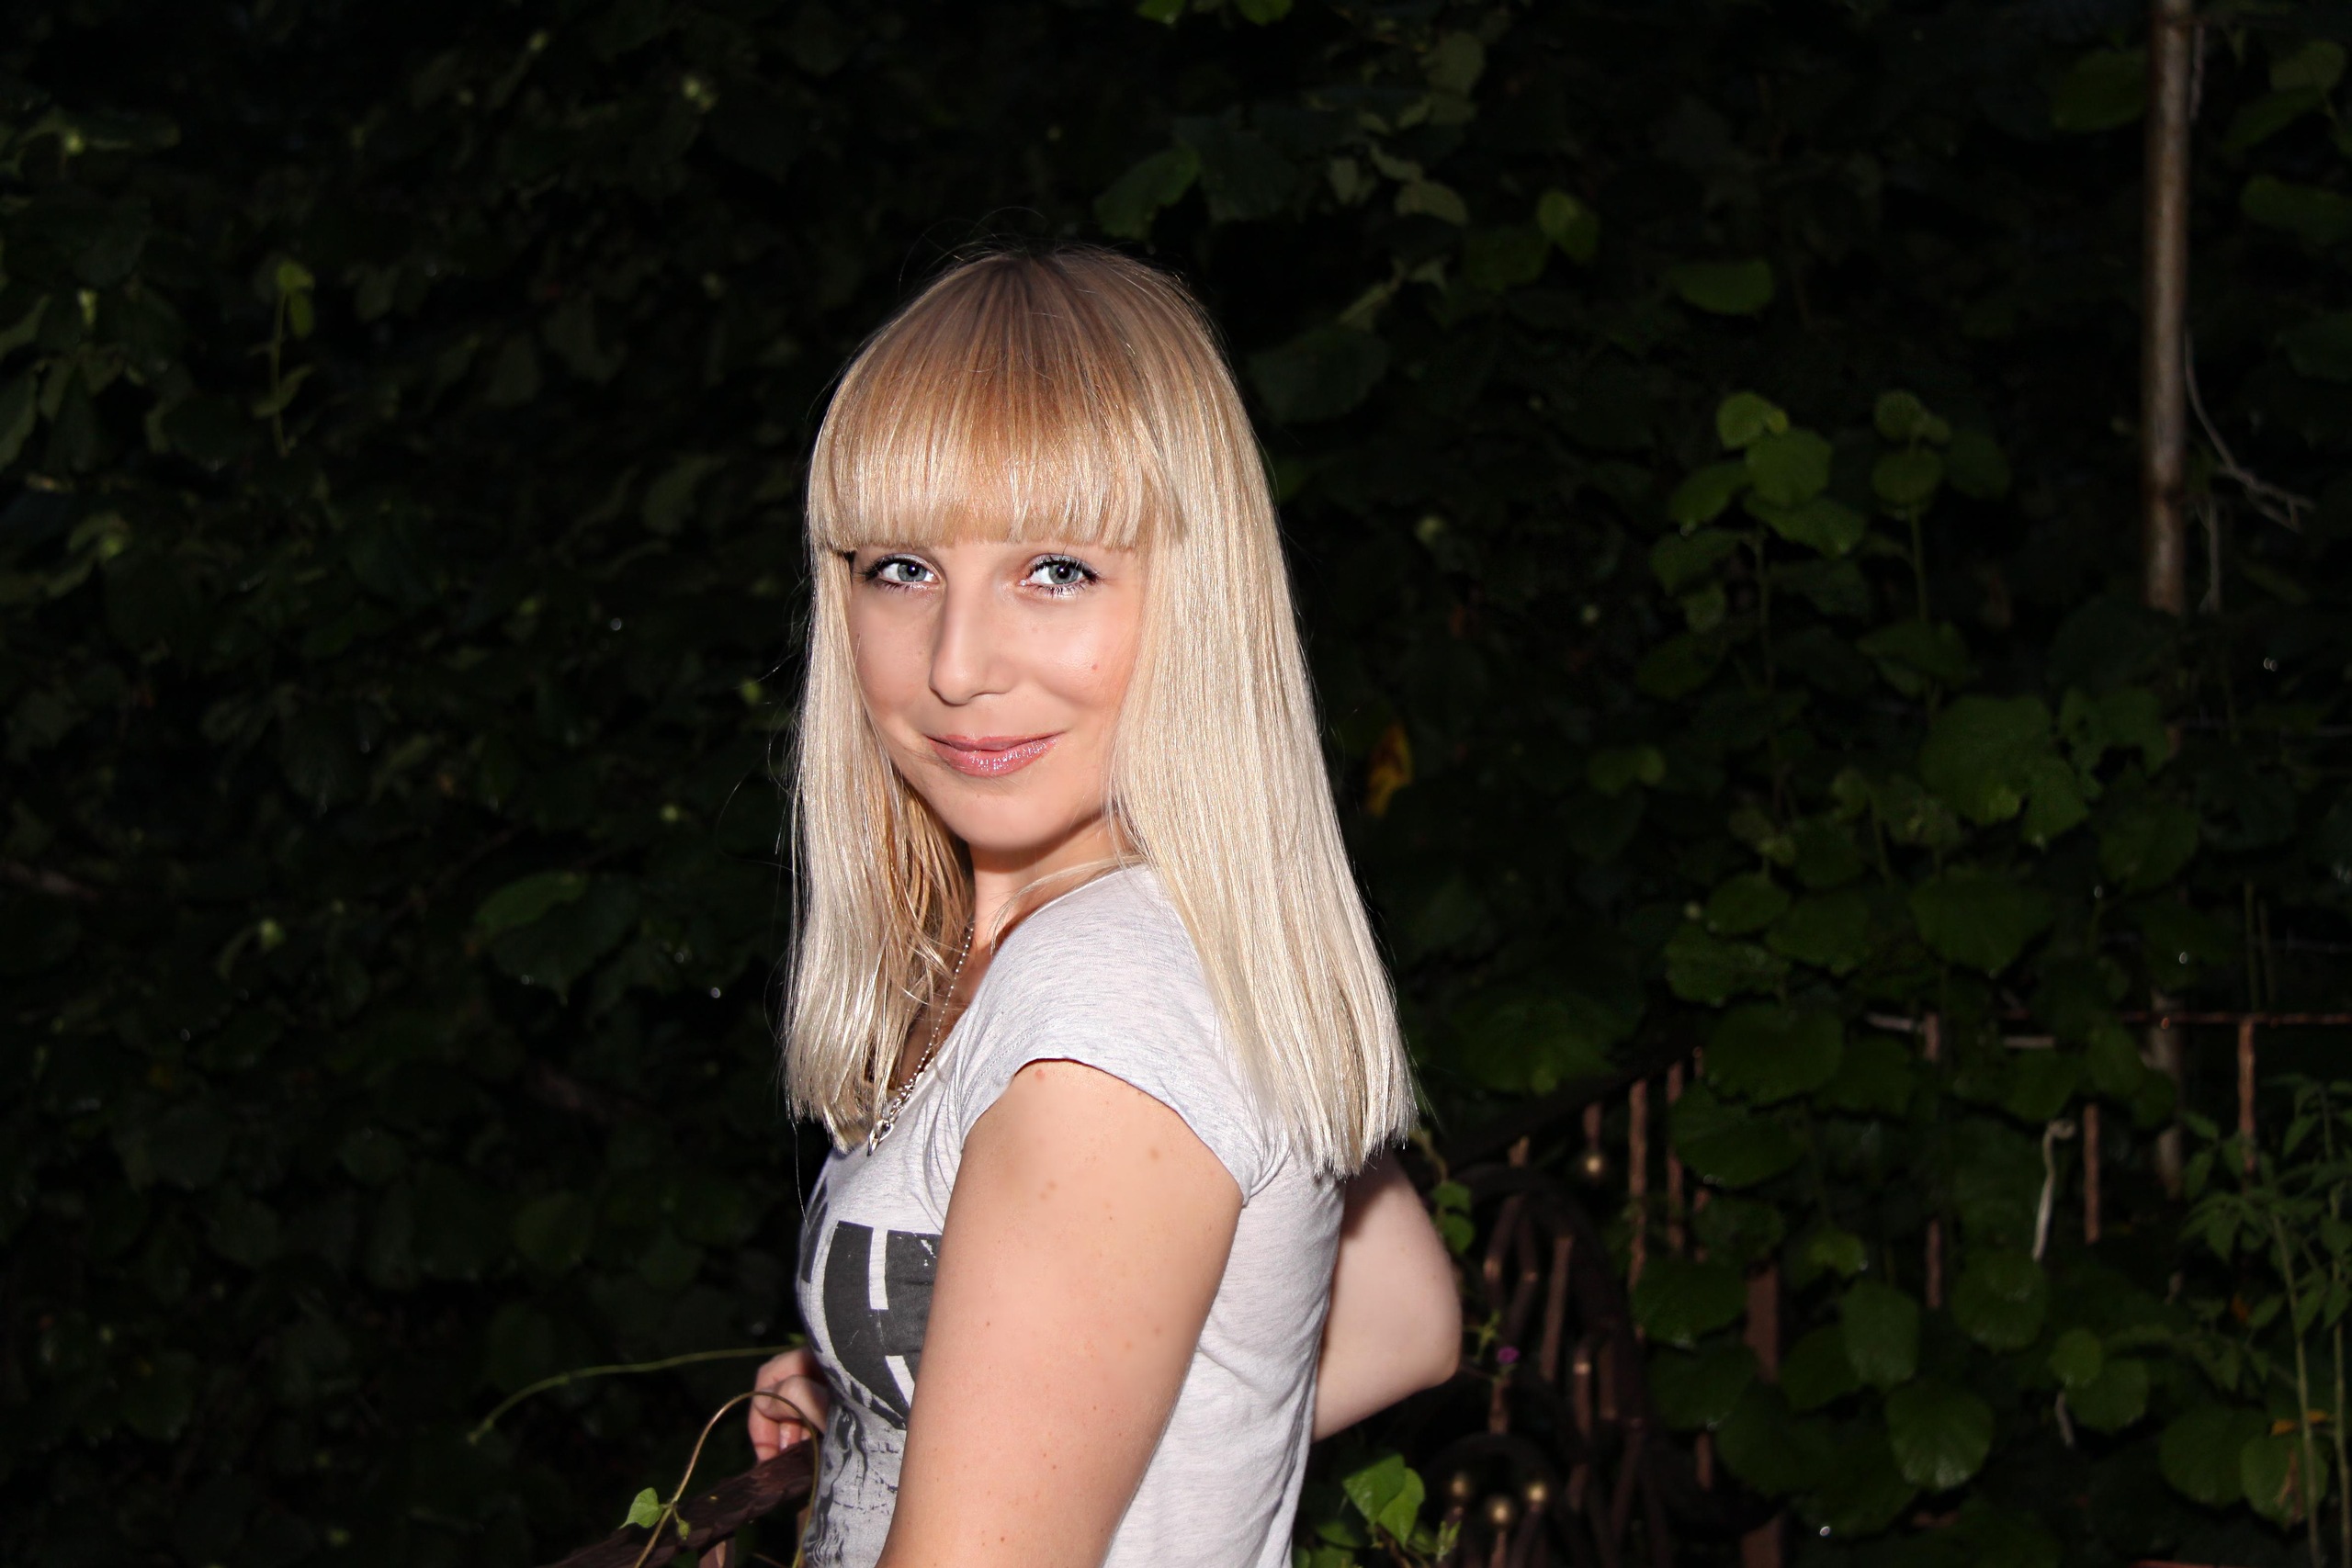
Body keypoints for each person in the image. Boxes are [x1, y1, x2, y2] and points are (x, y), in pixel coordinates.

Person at [744, 245, 1460, 1568]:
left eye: (1057, 569)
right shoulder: (1172, 939)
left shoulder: (1105, 1017)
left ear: (1200, 592)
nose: (958, 664)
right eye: (901, 567)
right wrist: (913, 1417)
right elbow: (1400, 1317)